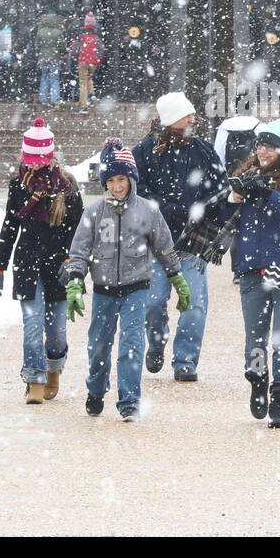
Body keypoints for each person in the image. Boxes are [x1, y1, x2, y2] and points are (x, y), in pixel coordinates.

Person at [64, 138, 189, 422]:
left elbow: (164, 247)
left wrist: (177, 278)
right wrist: (75, 280)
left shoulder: (148, 211)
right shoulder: (93, 213)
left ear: (131, 179)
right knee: (98, 347)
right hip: (104, 291)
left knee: (131, 346)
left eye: (122, 179)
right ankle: (96, 389)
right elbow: (80, 250)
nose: (117, 186)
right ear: (104, 183)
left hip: (136, 288)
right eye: (111, 180)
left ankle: (130, 400)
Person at [221, 119, 280, 428]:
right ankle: (258, 380)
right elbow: (226, 217)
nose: (263, 151)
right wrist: (232, 197)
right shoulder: (246, 177)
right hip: (251, 268)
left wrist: (269, 196)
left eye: (270, 146)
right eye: (260, 144)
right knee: (255, 338)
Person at [133, 92, 226, 382]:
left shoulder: (203, 150)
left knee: (195, 304)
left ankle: (185, 360)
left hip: (192, 240)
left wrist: (204, 211)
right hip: (155, 241)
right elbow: (138, 188)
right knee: (152, 302)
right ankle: (156, 343)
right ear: (173, 119)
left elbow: (219, 186)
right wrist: (168, 210)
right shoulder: (144, 151)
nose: (193, 119)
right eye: (188, 115)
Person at [0, 119, 84, 403]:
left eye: (38, 160)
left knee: (56, 329)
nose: (33, 166)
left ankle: (54, 368)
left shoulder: (66, 187)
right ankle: (34, 378)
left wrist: (74, 265)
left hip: (59, 264)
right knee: (32, 324)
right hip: (27, 262)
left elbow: (79, 230)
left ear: (50, 157)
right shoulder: (18, 186)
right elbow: (10, 226)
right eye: (29, 160)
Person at [70, 13, 104, 109]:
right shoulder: (97, 36)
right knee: (89, 78)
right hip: (93, 62)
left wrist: (78, 57)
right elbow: (101, 50)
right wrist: (98, 60)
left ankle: (84, 105)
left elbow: (75, 50)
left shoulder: (81, 35)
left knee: (83, 82)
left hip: (83, 61)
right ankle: (92, 94)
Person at [33, 12, 65, 105]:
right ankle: (55, 99)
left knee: (44, 77)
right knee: (54, 79)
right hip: (55, 58)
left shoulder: (40, 32)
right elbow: (62, 46)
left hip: (43, 58)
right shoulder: (58, 32)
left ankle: (43, 98)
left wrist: (41, 51)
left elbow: (37, 45)